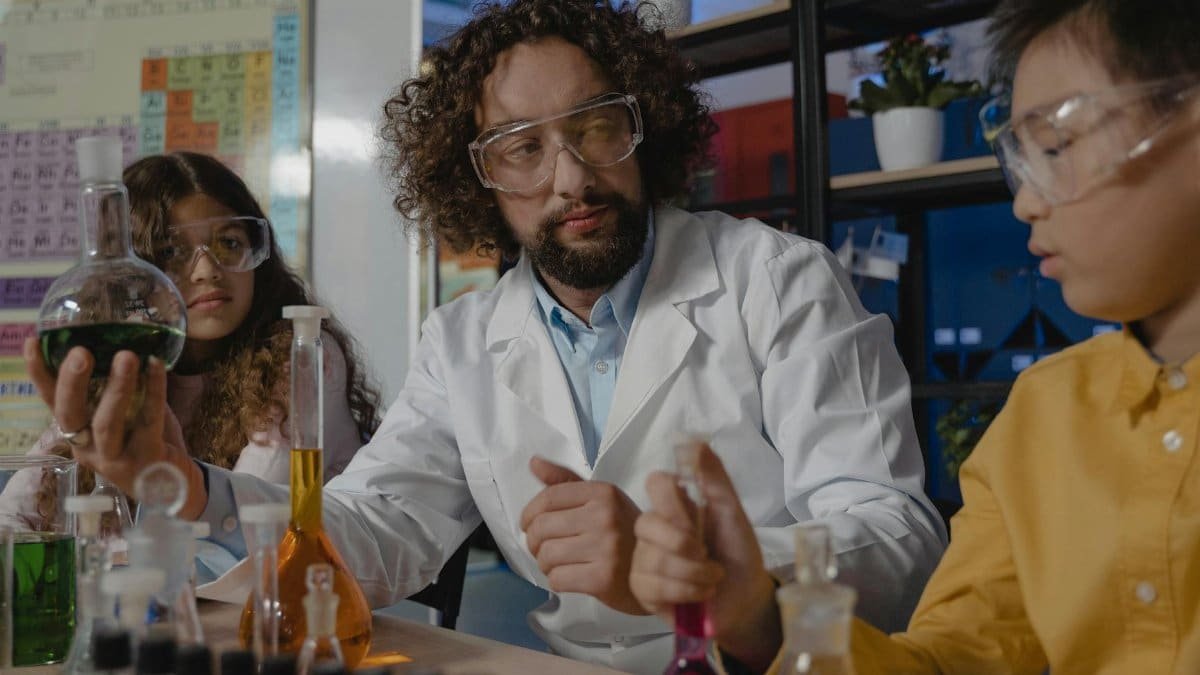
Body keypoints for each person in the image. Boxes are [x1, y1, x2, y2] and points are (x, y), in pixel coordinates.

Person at [23, 2, 945, 671]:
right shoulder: (463, 338)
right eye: (522, 147)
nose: (570, 176)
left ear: (645, 130)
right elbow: (383, 528)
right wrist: (192, 486)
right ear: (477, 180)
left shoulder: (778, 280)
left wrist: (706, 571)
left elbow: (900, 538)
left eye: (595, 128)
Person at [629, 1, 1200, 672]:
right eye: (1019, 157)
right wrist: (760, 615)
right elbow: (946, 661)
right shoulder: (1043, 415)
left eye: (1055, 145)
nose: (1023, 200)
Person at [12, 152, 380, 515]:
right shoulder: (118, 368)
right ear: (127, 279)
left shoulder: (303, 353)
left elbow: (245, 521)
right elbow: (13, 513)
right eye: (172, 251)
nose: (207, 270)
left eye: (229, 243)